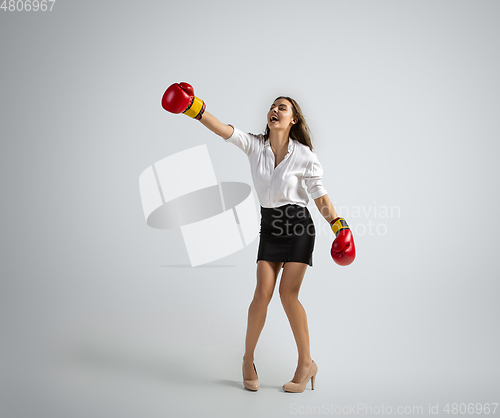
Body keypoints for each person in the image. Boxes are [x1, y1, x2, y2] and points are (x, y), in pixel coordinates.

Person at [161, 82, 356, 393]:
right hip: (270, 228)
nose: (275, 110)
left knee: (287, 296)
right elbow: (222, 129)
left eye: (283, 107)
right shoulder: (255, 145)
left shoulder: (305, 156)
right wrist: (192, 108)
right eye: (273, 106)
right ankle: (247, 360)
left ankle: (307, 364)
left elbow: (320, 198)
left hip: (299, 228)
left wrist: (340, 227)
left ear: (294, 119)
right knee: (261, 296)